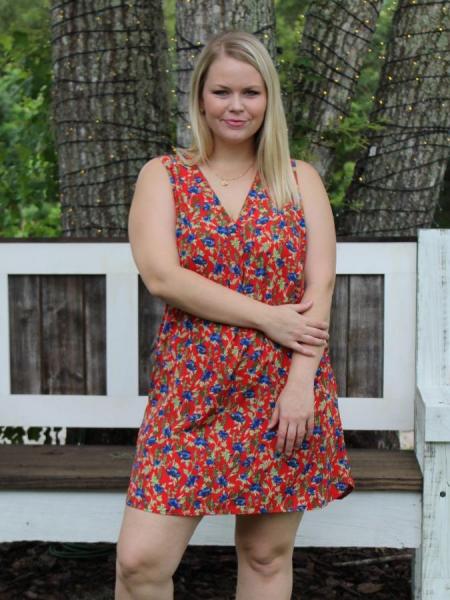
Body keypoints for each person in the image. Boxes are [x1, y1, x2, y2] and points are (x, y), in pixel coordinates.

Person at [115, 29, 354, 600]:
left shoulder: (299, 180)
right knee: (140, 562)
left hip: (283, 390)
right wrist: (266, 317)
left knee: (266, 555)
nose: (236, 106)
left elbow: (318, 285)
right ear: (200, 97)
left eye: (250, 92)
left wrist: (301, 385)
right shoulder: (164, 177)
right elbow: (163, 277)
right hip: (190, 389)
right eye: (222, 91)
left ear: (268, 98)